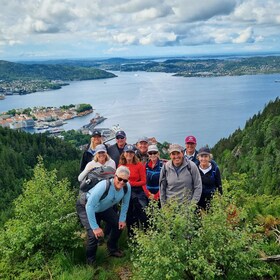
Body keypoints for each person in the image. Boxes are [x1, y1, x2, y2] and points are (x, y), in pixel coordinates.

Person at [76, 166, 131, 265]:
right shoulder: (103, 186)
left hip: (102, 207)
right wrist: (95, 227)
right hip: (85, 206)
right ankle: (90, 263)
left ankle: (112, 249)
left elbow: (125, 203)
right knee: (93, 235)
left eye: (125, 180)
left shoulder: (127, 187)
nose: (122, 182)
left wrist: (122, 219)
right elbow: (90, 206)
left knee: (118, 225)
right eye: (119, 179)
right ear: (115, 176)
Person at [119, 144, 148, 236]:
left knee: (143, 212)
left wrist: (130, 183)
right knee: (130, 215)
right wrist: (127, 184)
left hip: (137, 190)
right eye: (127, 152)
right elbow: (118, 180)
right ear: (124, 153)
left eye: (131, 152)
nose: (129, 154)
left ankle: (147, 234)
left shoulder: (139, 165)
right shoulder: (121, 165)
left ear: (134, 154)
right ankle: (132, 237)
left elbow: (144, 181)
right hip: (125, 190)